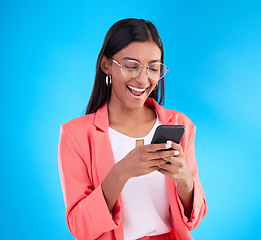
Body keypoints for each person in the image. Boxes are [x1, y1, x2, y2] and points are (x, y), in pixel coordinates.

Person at [58, 18, 207, 240]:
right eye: (131, 66)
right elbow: (80, 228)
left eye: (153, 68)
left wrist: (184, 178)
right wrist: (120, 173)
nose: (143, 78)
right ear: (107, 65)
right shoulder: (76, 135)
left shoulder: (180, 124)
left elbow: (194, 218)